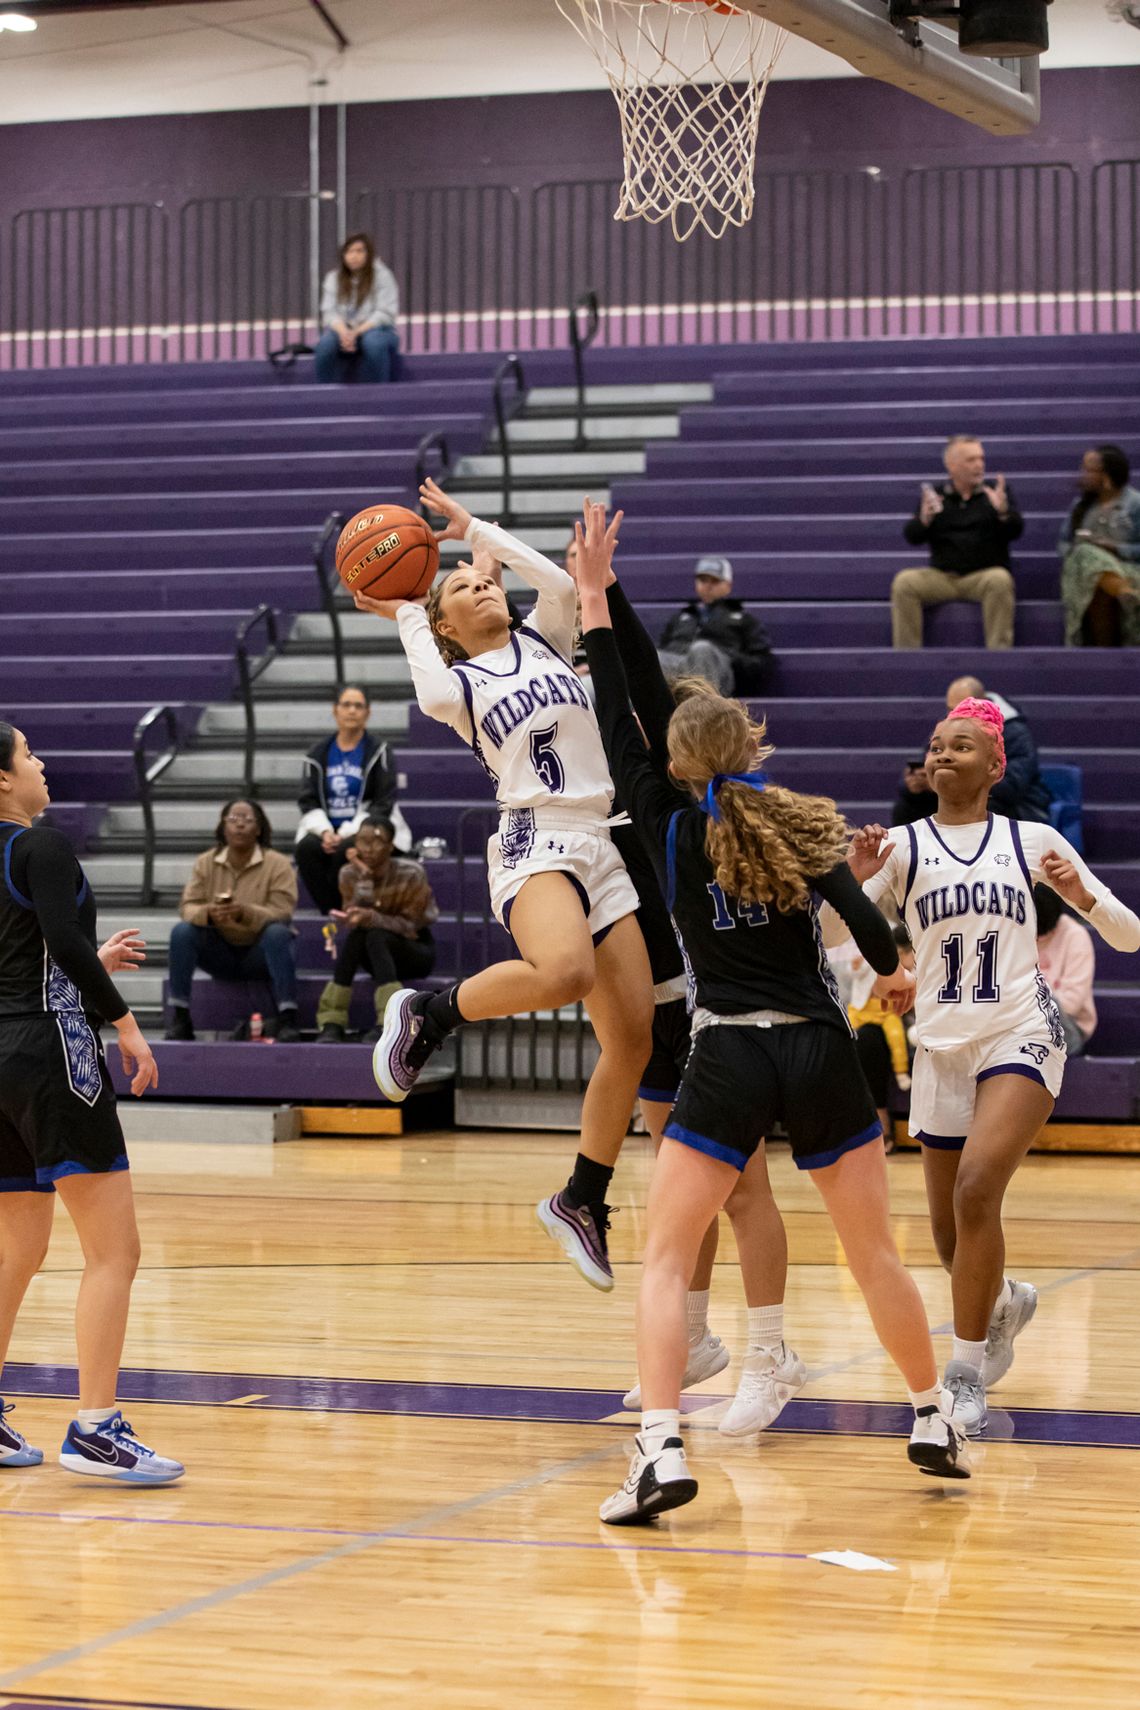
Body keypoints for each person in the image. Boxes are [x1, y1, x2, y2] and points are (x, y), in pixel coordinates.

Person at [573, 503, 970, 1524]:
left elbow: (629, 709)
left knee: (665, 1258)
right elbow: (882, 950)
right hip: (823, 1054)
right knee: (876, 1254)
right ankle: (930, 1414)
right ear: (748, 745)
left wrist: (595, 599)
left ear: (674, 764)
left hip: (730, 1056)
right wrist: (890, 967)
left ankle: (659, 1450)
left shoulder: (664, 826)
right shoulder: (796, 825)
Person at [355, 478, 654, 1294]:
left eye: (484, 576)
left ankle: (580, 1199)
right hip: (535, 835)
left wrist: (475, 529)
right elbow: (427, 688)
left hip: (602, 838)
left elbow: (562, 587)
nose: (481, 581)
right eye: (462, 585)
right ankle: (428, 1012)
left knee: (633, 1038)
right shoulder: (464, 686)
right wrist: (412, 608)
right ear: (448, 626)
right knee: (565, 974)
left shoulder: (549, 643)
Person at [848, 698, 1140, 1437]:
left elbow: (1130, 937)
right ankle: (1003, 1302)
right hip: (942, 1045)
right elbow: (826, 933)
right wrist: (850, 882)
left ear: (995, 764)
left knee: (979, 1189)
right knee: (951, 1238)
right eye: (937, 746)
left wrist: (1079, 897)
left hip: (1022, 1030)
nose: (944, 756)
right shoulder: (903, 848)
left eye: (962, 746)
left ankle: (967, 1372)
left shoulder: (1032, 839)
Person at [596, 570, 804, 1436]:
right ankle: (689, 1339)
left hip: (712, 1010)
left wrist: (599, 594)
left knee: (740, 1187)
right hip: (656, 1011)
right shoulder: (620, 802)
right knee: (683, 1188)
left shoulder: (693, 811)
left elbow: (629, 685)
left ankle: (768, 1352)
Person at [0, 722, 182, 1484]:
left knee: (17, 1245)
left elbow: (31, 953)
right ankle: (96, 1428)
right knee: (115, 1249)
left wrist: (75, 963)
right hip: (49, 1053)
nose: (41, 763)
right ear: (4, 781)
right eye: (28, 754)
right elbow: (64, 947)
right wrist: (129, 1026)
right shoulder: (40, 846)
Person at [165, 800, 300, 1043]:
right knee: (182, 932)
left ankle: (288, 1018)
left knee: (279, 933)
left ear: (259, 829)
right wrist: (208, 913)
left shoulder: (278, 864)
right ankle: (181, 1018)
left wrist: (244, 913)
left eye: (247, 820)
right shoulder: (206, 862)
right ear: (223, 827)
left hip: (259, 952)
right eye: (233, 819)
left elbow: (283, 911)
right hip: (220, 952)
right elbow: (187, 906)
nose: (239, 825)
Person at [892, 436, 1023, 650]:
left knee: (1000, 580)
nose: (979, 464)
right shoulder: (936, 497)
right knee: (904, 582)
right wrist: (924, 519)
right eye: (971, 460)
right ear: (952, 466)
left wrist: (1003, 513)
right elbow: (912, 536)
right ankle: (908, 657)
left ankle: (999, 654)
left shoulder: (995, 494)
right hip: (943, 577)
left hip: (982, 576)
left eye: (981, 458)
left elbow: (1016, 531)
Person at [316, 819, 438, 1045]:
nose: (368, 848)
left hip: (414, 951)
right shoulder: (349, 874)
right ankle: (332, 1022)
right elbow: (355, 916)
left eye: (377, 841)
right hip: (374, 954)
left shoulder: (412, 873)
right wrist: (363, 881)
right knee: (359, 936)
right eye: (362, 840)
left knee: (374, 934)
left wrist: (371, 917)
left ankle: (390, 1022)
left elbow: (411, 926)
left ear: (391, 846)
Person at [294, 685, 405, 915]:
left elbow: (383, 802)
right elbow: (307, 800)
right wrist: (325, 832)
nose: (352, 711)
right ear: (335, 711)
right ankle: (332, 912)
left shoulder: (379, 751)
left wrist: (345, 832)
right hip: (326, 828)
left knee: (347, 847)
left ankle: (347, 910)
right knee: (306, 848)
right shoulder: (317, 753)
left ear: (368, 712)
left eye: (358, 706)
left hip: (366, 827)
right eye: (346, 705)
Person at [892, 674, 1051, 826]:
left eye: (962, 710)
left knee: (984, 805)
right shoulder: (948, 726)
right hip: (956, 796)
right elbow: (923, 763)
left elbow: (1012, 785)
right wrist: (913, 784)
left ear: (981, 703)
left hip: (1007, 803)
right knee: (907, 805)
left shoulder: (1014, 732)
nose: (954, 716)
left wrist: (960, 781)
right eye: (951, 709)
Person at [1058, 444, 1140, 648]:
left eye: (1089, 470)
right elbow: (1063, 543)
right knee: (1086, 553)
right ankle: (1122, 591)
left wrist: (1115, 548)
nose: (1083, 475)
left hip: (1128, 568)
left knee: (1099, 583)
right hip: (1084, 574)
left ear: (1107, 476)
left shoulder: (1135, 504)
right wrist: (1080, 551)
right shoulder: (1080, 507)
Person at [657, 557, 772, 696]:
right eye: (703, 580)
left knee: (702, 650)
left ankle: (703, 710)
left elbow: (761, 662)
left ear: (728, 585)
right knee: (653, 656)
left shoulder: (743, 619)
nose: (708, 586)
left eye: (715, 581)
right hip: (680, 669)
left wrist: (730, 657)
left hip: (718, 673)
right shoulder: (681, 617)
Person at [848, 922, 915, 1155]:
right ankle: (865, 1127)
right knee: (860, 1038)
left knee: (876, 1040)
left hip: (904, 1023)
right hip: (872, 1018)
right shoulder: (874, 955)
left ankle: (881, 1124)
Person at [314, 233, 400, 385]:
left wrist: (356, 332)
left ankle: (379, 392)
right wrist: (344, 333)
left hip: (379, 331)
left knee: (373, 343)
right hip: (344, 331)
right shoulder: (333, 278)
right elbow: (329, 313)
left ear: (369, 254)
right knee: (324, 345)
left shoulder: (383, 276)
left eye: (359, 251)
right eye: (349, 251)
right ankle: (324, 392)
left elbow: (384, 313)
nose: (354, 256)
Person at [1035, 883, 1096, 1058]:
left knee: (1042, 998)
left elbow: (1071, 1003)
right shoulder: (1014, 931)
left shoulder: (1075, 935)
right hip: (1021, 1024)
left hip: (1067, 1027)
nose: (1038, 939)